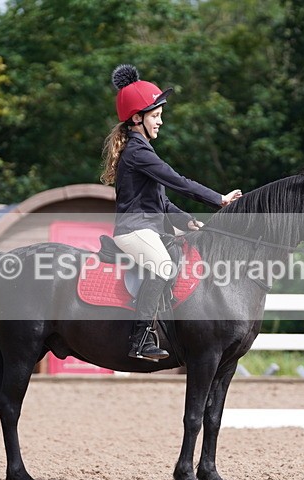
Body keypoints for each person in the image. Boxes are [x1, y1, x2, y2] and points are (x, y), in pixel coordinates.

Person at [100, 64, 242, 361]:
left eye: (160, 115)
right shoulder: (138, 152)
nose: (161, 121)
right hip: (134, 230)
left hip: (148, 227)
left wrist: (187, 220)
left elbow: (162, 202)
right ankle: (139, 340)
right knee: (164, 267)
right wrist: (219, 199)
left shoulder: (142, 150)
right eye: (155, 115)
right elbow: (178, 181)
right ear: (137, 118)